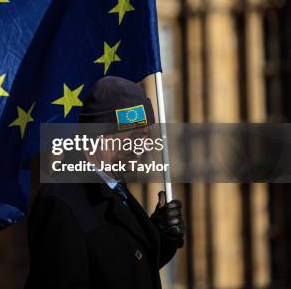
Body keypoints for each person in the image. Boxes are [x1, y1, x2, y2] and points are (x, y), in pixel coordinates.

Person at [25, 76, 184, 289]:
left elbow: (120, 268)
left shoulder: (115, 189)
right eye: (137, 137)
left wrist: (159, 236)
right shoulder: (61, 203)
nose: (145, 147)